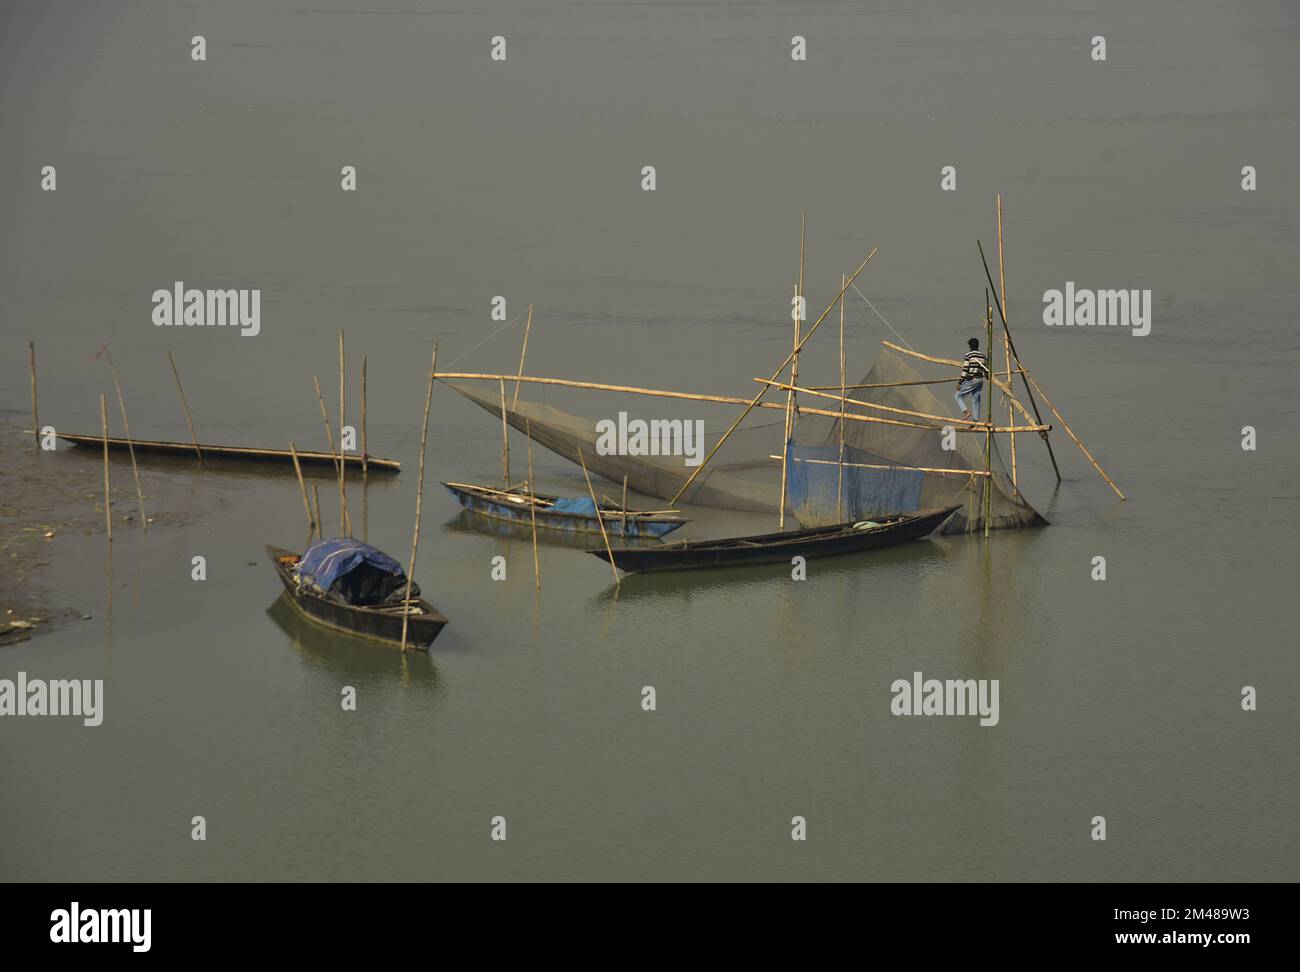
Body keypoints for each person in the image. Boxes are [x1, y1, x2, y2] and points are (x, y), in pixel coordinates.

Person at [954, 337, 988, 421]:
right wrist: (987, 376)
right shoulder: (983, 356)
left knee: (958, 396)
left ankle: (965, 411)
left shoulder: (968, 355)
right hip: (980, 380)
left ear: (970, 346)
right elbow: (986, 369)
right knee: (976, 400)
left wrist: (960, 383)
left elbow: (965, 370)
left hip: (972, 379)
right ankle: (975, 420)